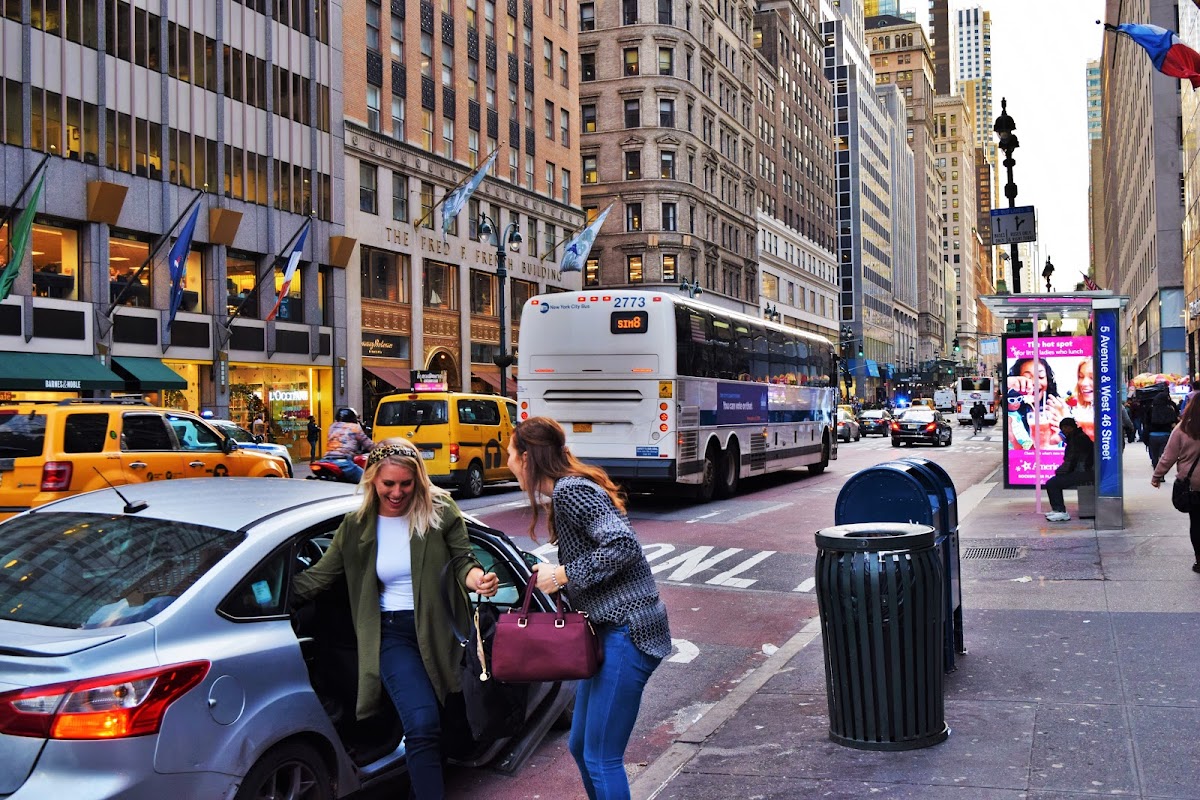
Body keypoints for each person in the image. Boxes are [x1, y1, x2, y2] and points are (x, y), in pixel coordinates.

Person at [292, 441, 500, 799]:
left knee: (451, 722)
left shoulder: (439, 511)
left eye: (406, 483)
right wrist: (262, 595)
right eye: (388, 484)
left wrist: (478, 579)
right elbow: (319, 577)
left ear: (418, 479)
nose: (398, 492)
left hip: (442, 633)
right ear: (372, 479)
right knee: (421, 724)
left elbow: (463, 560)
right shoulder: (356, 526)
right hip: (392, 635)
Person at [507, 417, 671, 800]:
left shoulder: (571, 490)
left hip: (629, 632)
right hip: (611, 633)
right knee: (581, 748)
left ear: (528, 457)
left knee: (601, 757)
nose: (509, 462)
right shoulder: (567, 490)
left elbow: (622, 546)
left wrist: (562, 574)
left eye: (512, 454)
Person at [1150, 392, 1200, 573]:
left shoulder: (1183, 429)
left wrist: (1157, 476)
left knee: (1197, 522)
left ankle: (1199, 560)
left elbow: (1168, 456)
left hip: (1193, 483)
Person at [1043, 417, 1094, 522]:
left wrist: (1061, 472)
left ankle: (1060, 511)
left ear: (1069, 427)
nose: (1063, 431)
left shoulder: (1076, 439)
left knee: (1052, 483)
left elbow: (1072, 460)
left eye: (1064, 428)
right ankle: (1058, 510)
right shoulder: (1077, 437)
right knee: (1054, 482)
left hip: (1084, 472)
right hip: (1085, 471)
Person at [1007, 357, 1063, 448]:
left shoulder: (1055, 412)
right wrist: (1007, 383)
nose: (1034, 382)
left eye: (1040, 377)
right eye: (1027, 378)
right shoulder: (1012, 414)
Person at [325, 407, 374, 482]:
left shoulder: (332, 426)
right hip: (343, 462)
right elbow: (368, 444)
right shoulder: (355, 428)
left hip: (325, 460)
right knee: (368, 480)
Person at [1063, 359, 1095, 441]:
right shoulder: (1076, 409)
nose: (1083, 383)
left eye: (1092, 377)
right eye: (1081, 377)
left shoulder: (1112, 409)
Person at [1146, 390, 1179, 468]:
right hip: (1166, 435)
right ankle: (1161, 474)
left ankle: (1156, 470)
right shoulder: (1169, 410)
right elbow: (1174, 423)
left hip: (1152, 435)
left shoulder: (1151, 409)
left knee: (1154, 456)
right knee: (1163, 455)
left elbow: (1146, 422)